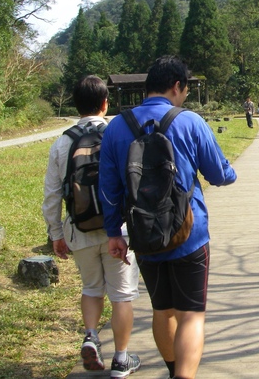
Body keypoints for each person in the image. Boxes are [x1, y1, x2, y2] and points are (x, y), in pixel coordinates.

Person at [99, 56, 237, 379]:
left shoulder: (117, 127)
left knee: (162, 311)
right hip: (190, 234)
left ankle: (175, 370)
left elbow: (108, 189)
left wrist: (113, 233)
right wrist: (231, 173)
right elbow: (219, 174)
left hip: (145, 236)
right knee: (191, 316)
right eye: (185, 89)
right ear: (178, 86)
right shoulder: (189, 122)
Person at [42, 76, 141, 377]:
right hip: (120, 229)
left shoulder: (62, 142)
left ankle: (91, 337)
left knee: (91, 288)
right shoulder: (118, 133)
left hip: (79, 229)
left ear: (76, 104)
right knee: (122, 294)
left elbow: (52, 194)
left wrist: (56, 233)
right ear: (105, 103)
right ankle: (122, 359)